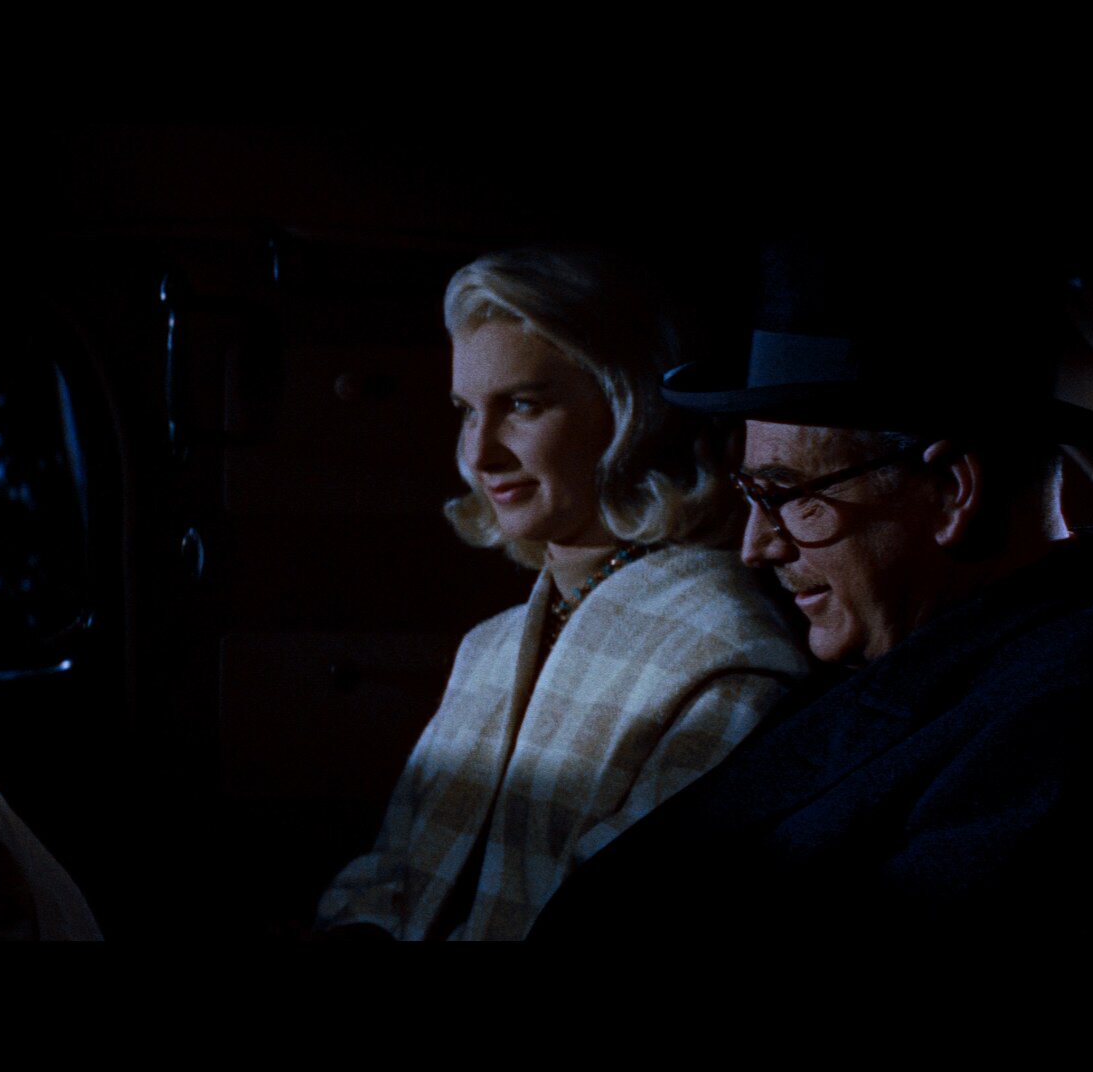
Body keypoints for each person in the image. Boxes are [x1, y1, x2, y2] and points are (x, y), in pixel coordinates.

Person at [527, 247, 1093, 941]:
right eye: (750, 496)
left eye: (786, 496)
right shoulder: (901, 661)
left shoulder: (1066, 712)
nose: (756, 547)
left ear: (951, 490)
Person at [316, 247, 810, 940]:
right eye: (467, 411)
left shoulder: (724, 653)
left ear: (630, 408)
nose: (480, 454)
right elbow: (388, 872)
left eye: (522, 405)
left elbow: (619, 918)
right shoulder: (488, 648)